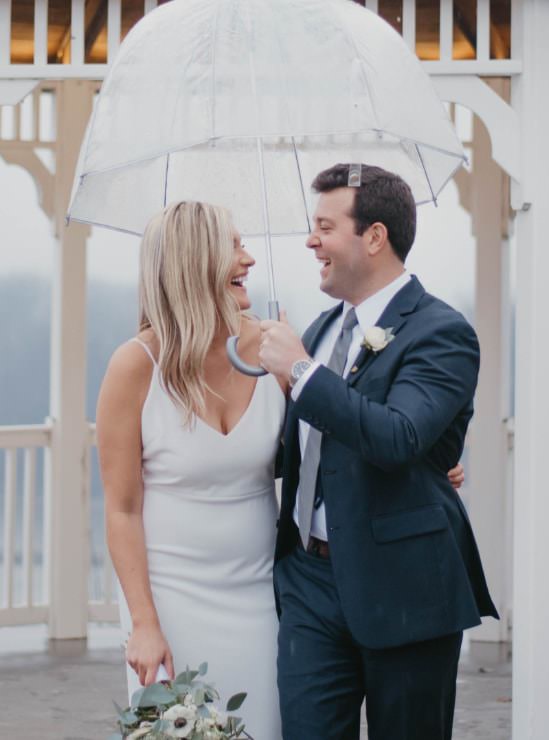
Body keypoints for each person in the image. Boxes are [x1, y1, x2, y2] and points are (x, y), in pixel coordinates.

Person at [259, 164, 498, 740]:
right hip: (309, 583)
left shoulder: (442, 331)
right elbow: (301, 449)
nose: (311, 240)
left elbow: (399, 438)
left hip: (406, 588)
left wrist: (299, 372)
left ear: (374, 236)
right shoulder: (316, 330)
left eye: (324, 226)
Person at [96, 201, 285, 739]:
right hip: (170, 603)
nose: (248, 258)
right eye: (233, 247)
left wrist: (430, 465)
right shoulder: (134, 366)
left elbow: (329, 449)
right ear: (192, 262)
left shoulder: (274, 348)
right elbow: (121, 509)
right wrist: (144, 625)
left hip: (263, 599)